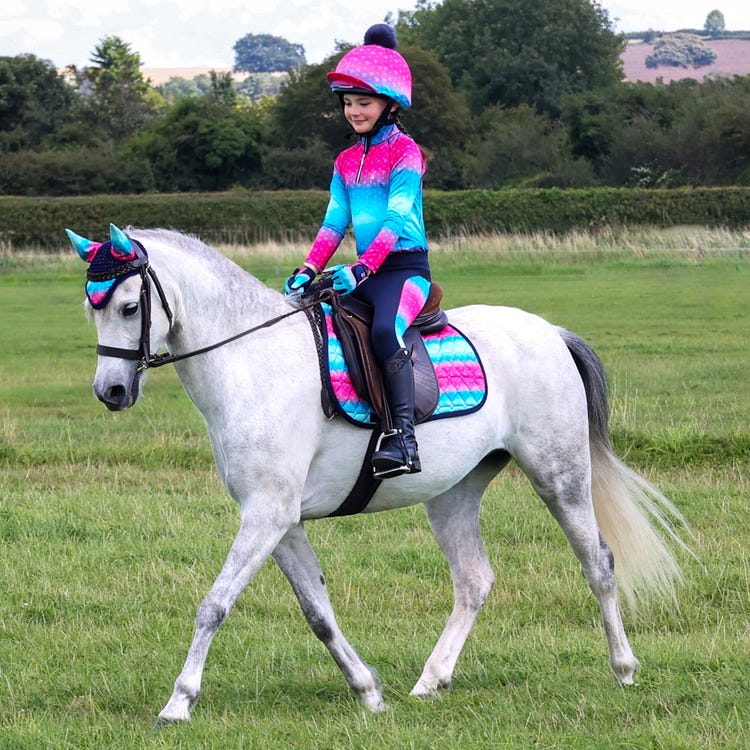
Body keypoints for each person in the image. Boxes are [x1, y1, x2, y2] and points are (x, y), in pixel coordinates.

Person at [284, 23, 431, 479]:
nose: (353, 111)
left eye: (363, 103)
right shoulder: (346, 161)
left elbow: (396, 220)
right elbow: (334, 223)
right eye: (347, 104)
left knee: (387, 331)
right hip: (362, 273)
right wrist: (308, 268)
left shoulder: (405, 153)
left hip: (403, 271)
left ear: (389, 104)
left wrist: (364, 268)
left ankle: (403, 439)